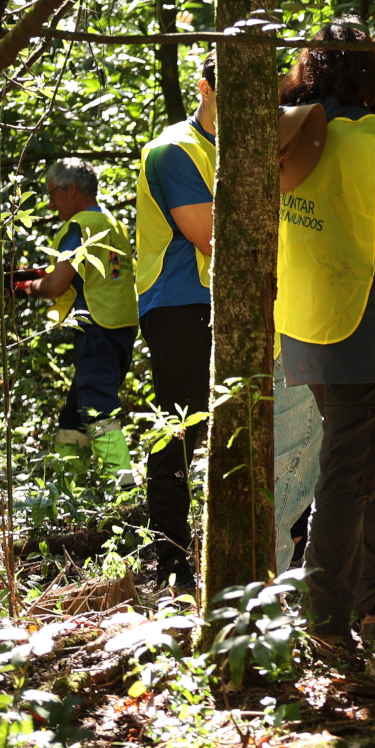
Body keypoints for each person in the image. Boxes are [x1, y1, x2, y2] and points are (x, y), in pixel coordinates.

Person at [276, 17, 375, 652]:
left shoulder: (290, 137)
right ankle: (328, 619)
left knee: (366, 466)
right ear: (371, 70)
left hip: (304, 328)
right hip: (363, 332)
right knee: (348, 471)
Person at [135, 51, 217, 595]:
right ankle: (170, 559)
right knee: (181, 426)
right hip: (179, 303)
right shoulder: (173, 150)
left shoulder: (246, 148)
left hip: (227, 299)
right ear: (205, 88)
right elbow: (209, 233)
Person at [14, 158, 138, 479]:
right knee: (75, 411)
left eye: (53, 194)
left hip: (95, 327)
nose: (51, 203)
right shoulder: (111, 222)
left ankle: (123, 483)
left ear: (71, 189)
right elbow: (90, 272)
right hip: (121, 328)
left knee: (97, 407)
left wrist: (24, 288)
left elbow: (56, 284)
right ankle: (71, 485)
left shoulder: (79, 226)